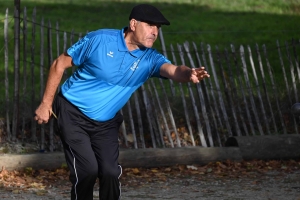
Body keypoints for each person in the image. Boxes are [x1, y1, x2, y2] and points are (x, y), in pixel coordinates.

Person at [34, 3, 210, 200]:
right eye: (150, 25)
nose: (154, 32)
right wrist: (46, 104)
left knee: (110, 172)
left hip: (106, 123)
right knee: (87, 171)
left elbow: (174, 70)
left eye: (158, 28)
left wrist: (189, 73)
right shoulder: (100, 40)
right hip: (72, 113)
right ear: (133, 24)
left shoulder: (149, 59)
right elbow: (59, 64)